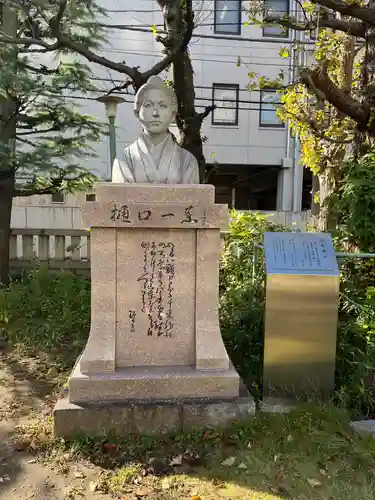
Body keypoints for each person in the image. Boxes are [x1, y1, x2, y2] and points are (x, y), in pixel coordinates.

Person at [112, 76, 200, 184]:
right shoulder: (124, 160)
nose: (155, 113)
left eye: (163, 106)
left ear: (173, 115)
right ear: (137, 113)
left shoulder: (187, 161)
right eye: (148, 105)